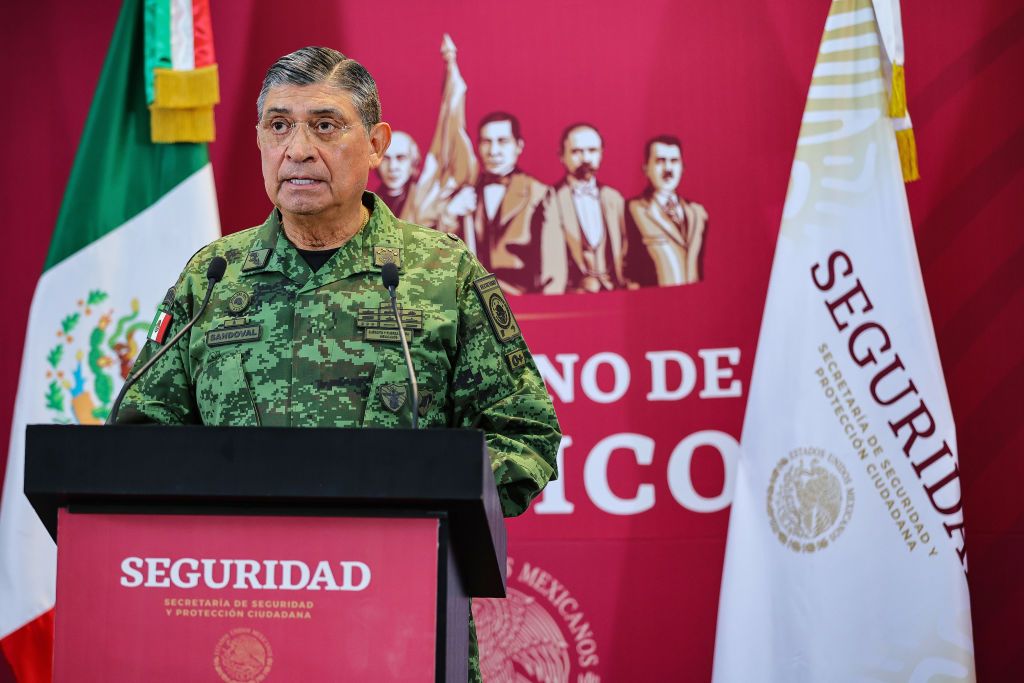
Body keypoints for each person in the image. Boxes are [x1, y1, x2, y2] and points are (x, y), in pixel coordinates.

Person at [116, 46, 560, 683]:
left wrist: (434, 501)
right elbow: (138, 438)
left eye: (325, 125)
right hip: (234, 622)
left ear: (376, 143)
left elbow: (525, 435)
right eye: (278, 125)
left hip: (397, 622)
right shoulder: (213, 277)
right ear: (260, 141)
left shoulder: (440, 274)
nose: (298, 148)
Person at [439, 112, 556, 295]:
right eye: (486, 142)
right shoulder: (466, 192)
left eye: (502, 141)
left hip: (522, 302)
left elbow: (553, 271)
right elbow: (443, 257)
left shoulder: (540, 193)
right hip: (472, 304)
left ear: (519, 146)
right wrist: (450, 214)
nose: (493, 151)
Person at [541, 123, 629, 293]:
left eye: (592, 151)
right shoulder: (552, 199)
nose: (586, 158)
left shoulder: (614, 199)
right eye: (576, 152)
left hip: (615, 293)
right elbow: (551, 261)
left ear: (602, 153)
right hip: (574, 296)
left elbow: (625, 248)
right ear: (561, 156)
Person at [625, 135, 708, 287]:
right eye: (660, 161)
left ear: (682, 167)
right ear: (646, 169)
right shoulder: (632, 210)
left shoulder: (698, 213)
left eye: (674, 161)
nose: (668, 169)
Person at [375, 129, 420, 217]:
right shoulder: (367, 202)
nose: (392, 167)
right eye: (386, 158)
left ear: (413, 162)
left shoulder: (422, 201)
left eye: (401, 158)